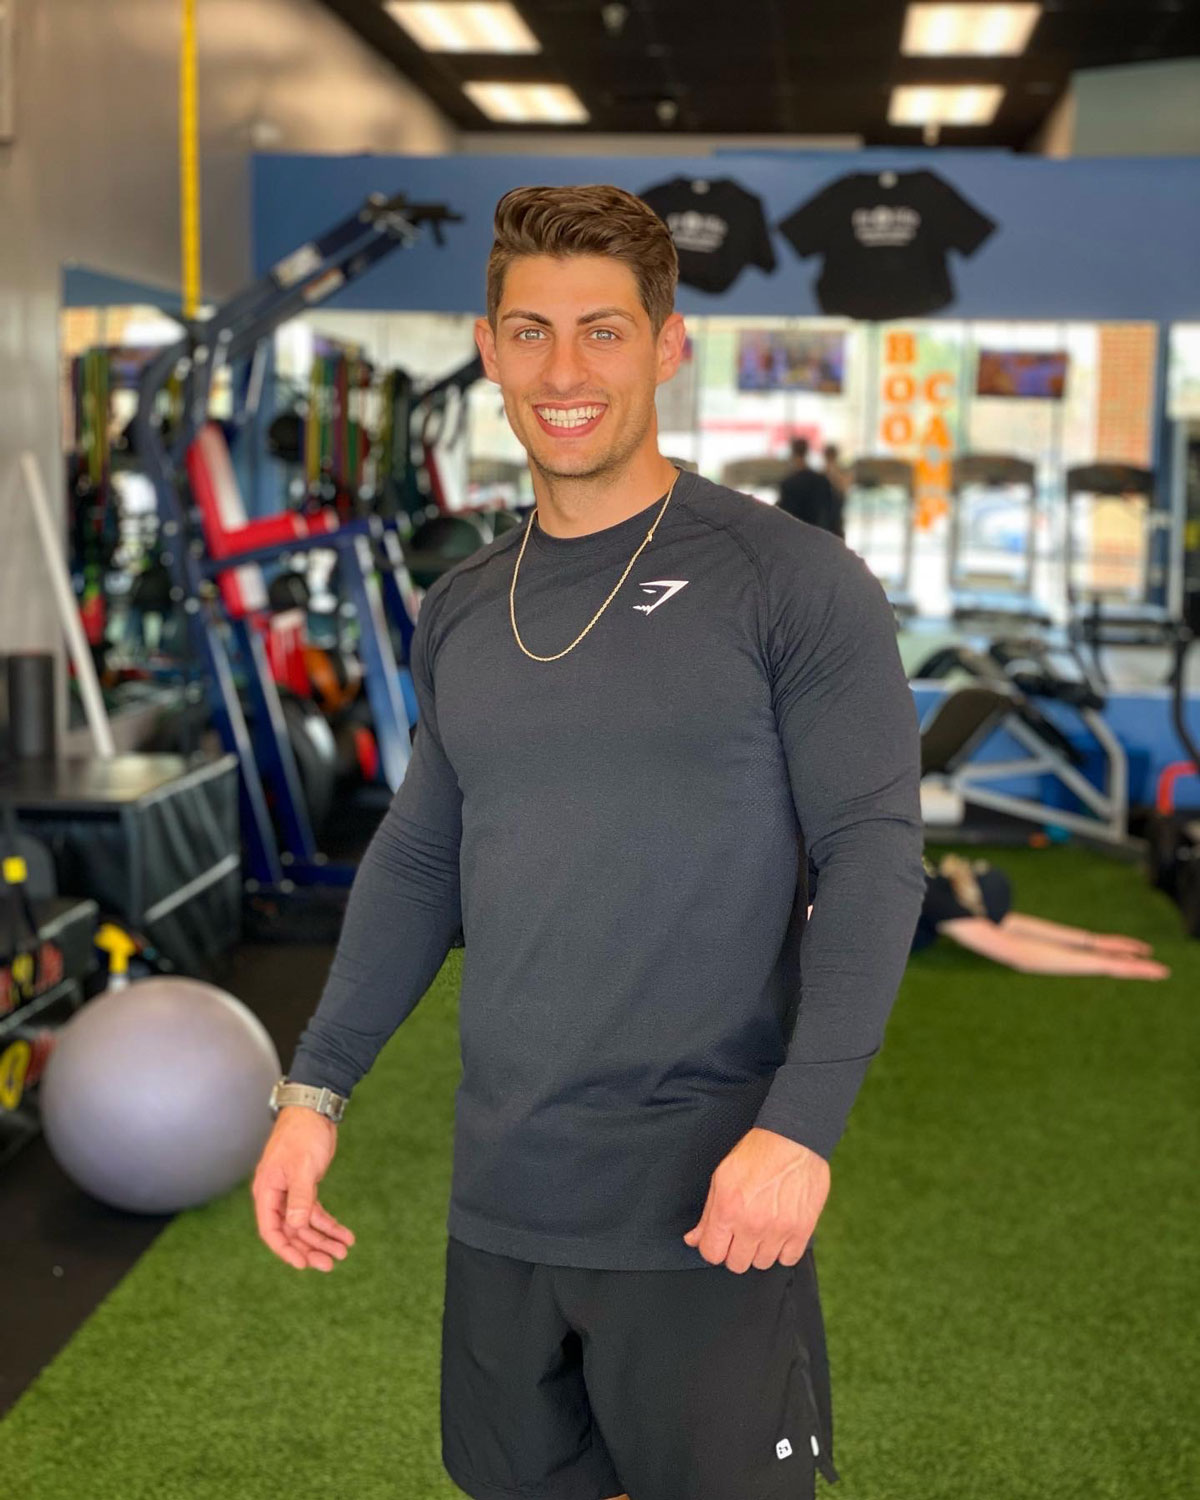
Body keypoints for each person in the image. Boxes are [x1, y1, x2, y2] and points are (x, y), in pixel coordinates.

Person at [251, 184, 926, 1500]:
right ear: (491, 347)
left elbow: (873, 859)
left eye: (604, 332)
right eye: (531, 331)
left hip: (707, 1197)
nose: (565, 372)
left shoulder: (788, 580)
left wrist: (802, 1130)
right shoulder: (459, 608)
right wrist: (313, 1093)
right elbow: (417, 863)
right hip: (504, 1195)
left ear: (669, 346)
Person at [909, 853, 1170, 978]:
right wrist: (1111, 966)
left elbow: (1007, 923)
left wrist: (1093, 941)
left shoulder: (944, 883)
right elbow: (1018, 954)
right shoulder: (937, 901)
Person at [777, 435, 844, 538]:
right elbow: (830, 511)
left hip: (796, 536)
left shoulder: (788, 483)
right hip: (819, 534)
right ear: (807, 452)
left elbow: (784, 514)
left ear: (792, 454)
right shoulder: (821, 480)